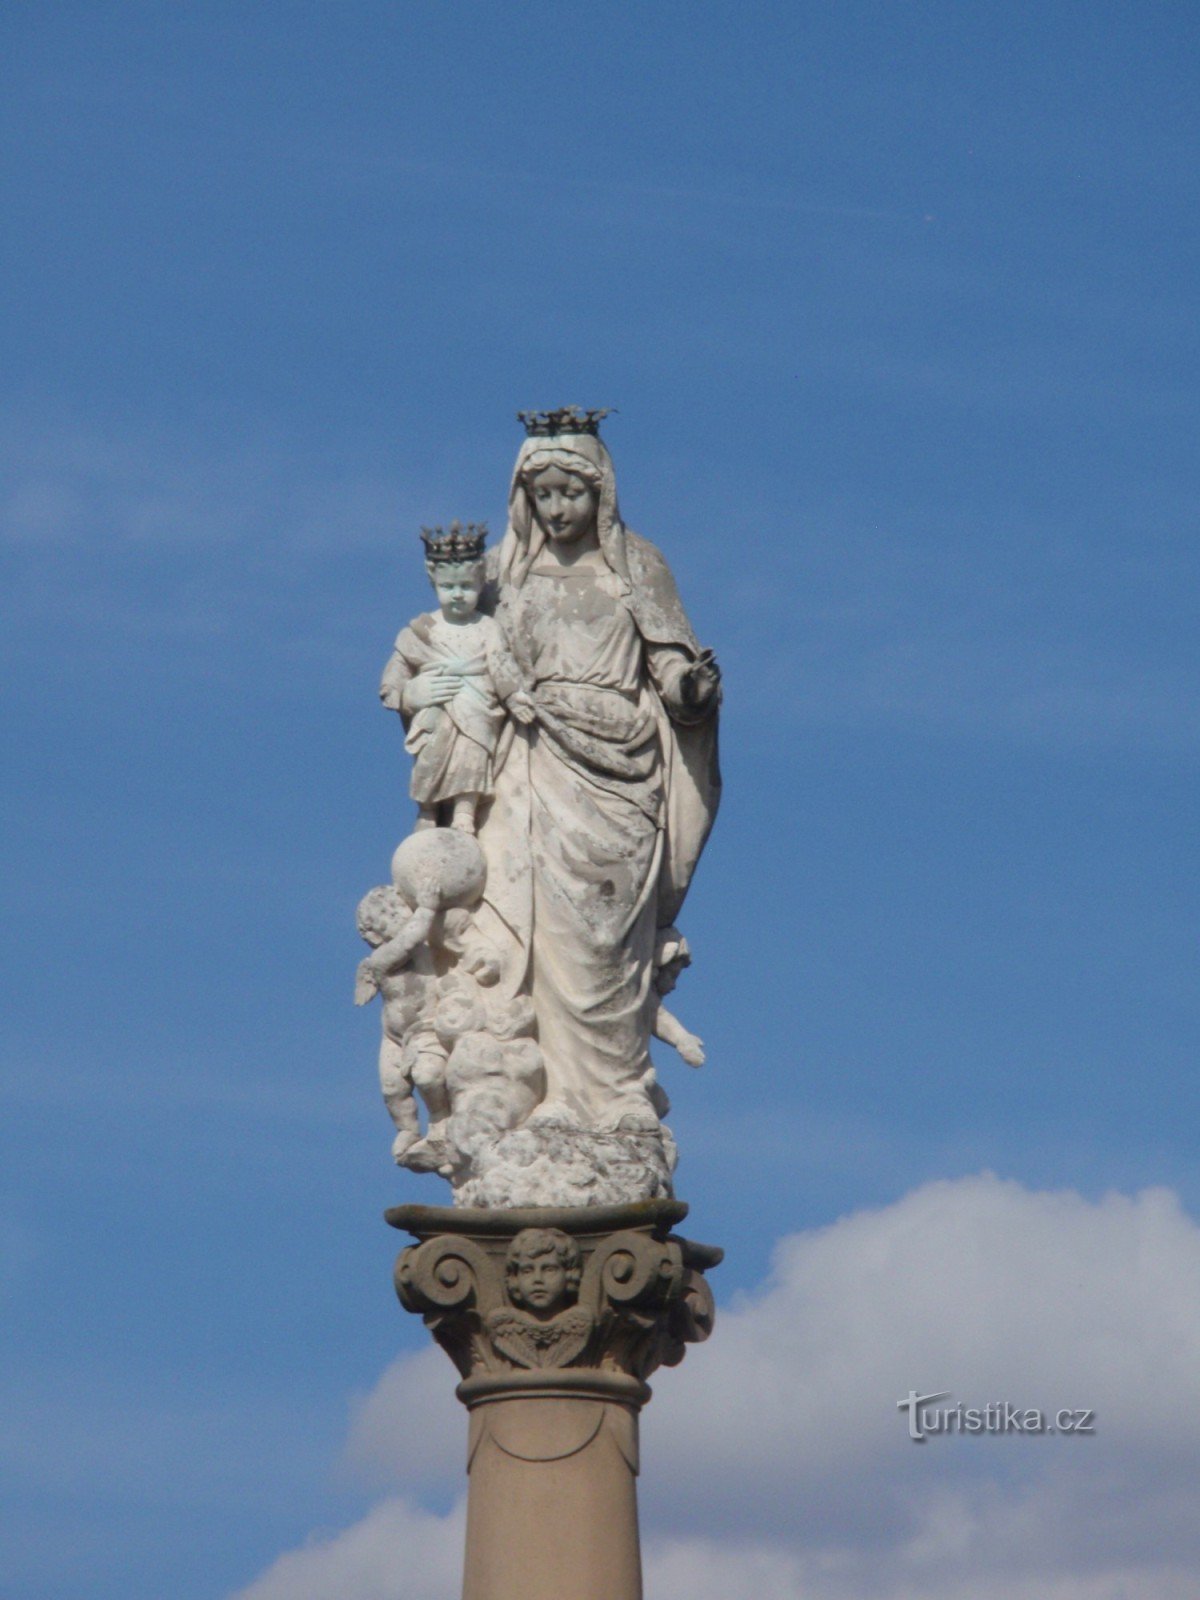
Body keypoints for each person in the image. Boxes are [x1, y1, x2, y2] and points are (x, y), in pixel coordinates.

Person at [473, 408, 720, 1132]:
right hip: (532, 760)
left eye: (569, 493)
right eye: (542, 494)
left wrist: (689, 690)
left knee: (609, 941)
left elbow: (669, 655)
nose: (556, 509)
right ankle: (546, 1094)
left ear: (601, 492)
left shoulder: (636, 564)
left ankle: (617, 1096)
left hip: (620, 771)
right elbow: (455, 655)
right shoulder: (497, 574)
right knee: (541, 933)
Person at [380, 522, 533, 834]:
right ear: (433, 582)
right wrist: (410, 695)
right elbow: (393, 677)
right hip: (435, 711)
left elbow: (502, 666)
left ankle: (465, 810)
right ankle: (428, 810)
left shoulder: (488, 628)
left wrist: (515, 696)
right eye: (448, 588)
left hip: (477, 707)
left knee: (471, 754)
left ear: (480, 584)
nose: (457, 595)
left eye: (466, 586)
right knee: (432, 752)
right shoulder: (420, 630)